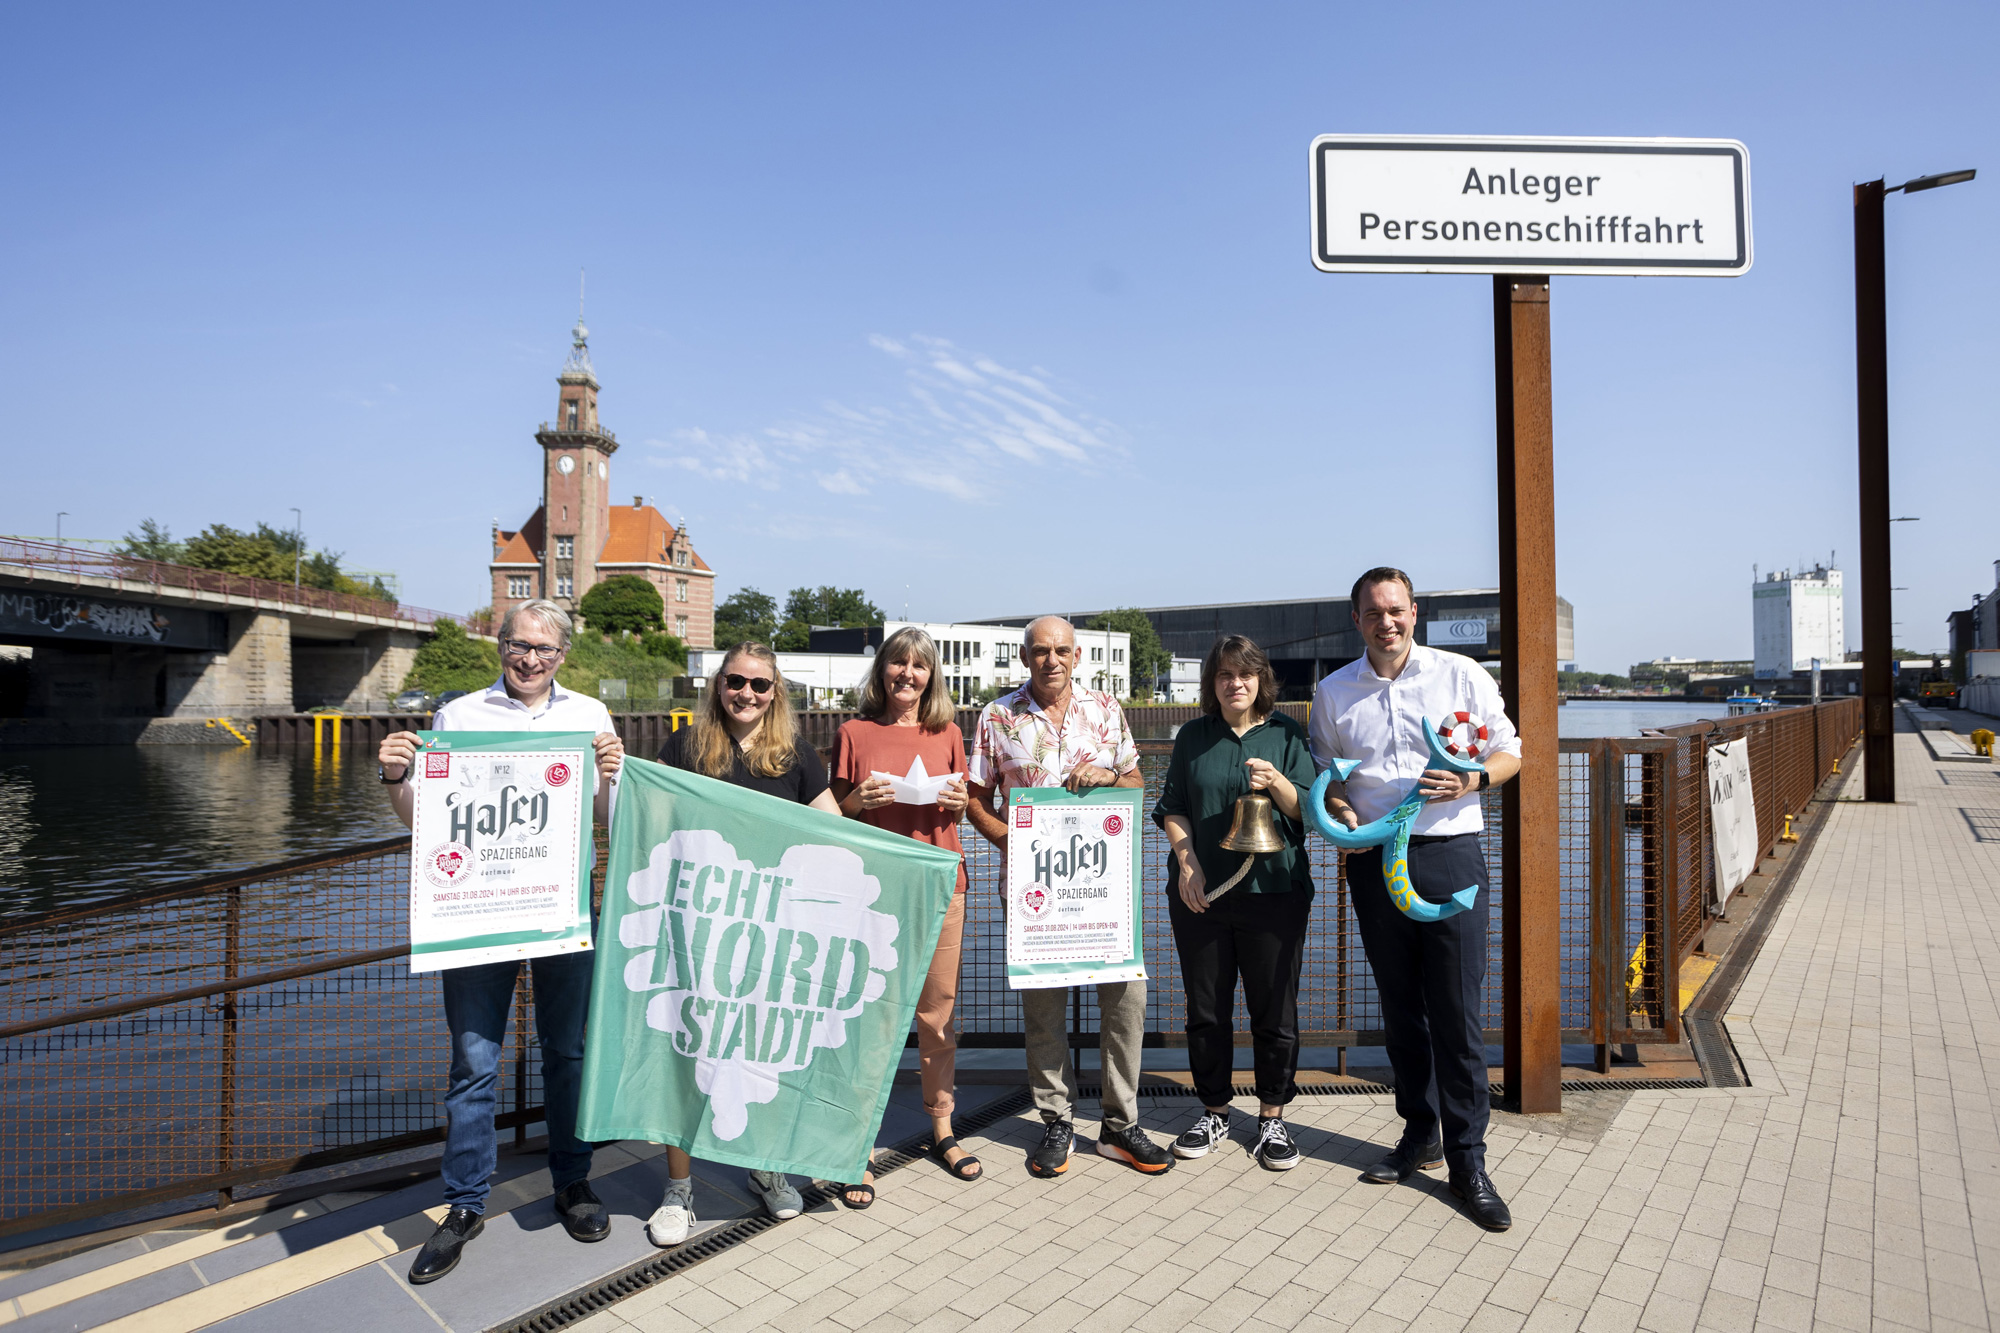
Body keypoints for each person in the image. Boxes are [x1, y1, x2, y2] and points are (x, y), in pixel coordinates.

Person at [376, 599, 627, 1285]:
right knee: (473, 1061)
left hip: (562, 911)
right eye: (519, 644)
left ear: (563, 656)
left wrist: (611, 772)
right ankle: (463, 1204)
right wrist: (397, 775)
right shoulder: (457, 717)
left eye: (544, 650)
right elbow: (425, 820)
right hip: (477, 915)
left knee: (569, 1052)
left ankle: (573, 1181)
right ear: (500, 645)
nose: (530, 659)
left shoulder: (589, 717)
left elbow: (613, 817)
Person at [1310, 568, 1521, 1231]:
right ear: (1356, 619)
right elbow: (1328, 771)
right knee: (1402, 1011)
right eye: (1373, 612)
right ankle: (1418, 1132)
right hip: (1375, 863)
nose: (1386, 621)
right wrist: (1340, 815)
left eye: (1396, 610)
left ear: (1414, 612)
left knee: (1457, 1011)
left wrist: (1473, 780)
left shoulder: (1460, 675)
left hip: (1450, 852)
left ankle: (1469, 1159)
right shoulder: (1333, 691)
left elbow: (1513, 751)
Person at [647, 642, 841, 1245]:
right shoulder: (684, 748)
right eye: (736, 682)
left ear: (776, 691)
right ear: (718, 685)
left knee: (762, 1049)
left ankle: (765, 1163)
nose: (747, 695)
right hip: (700, 925)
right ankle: (679, 1189)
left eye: (760, 685)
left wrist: (905, 859)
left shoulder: (797, 754)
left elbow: (830, 827)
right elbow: (654, 819)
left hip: (771, 930)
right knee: (686, 1051)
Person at [966, 616, 1173, 1178]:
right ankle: (1056, 1120)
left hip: (1101, 887)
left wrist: (1106, 776)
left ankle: (1119, 1125)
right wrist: (1014, 841)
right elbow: (975, 798)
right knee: (1044, 1008)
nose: (1051, 660)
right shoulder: (998, 717)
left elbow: (1135, 785)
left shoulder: (1106, 709)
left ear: (1076, 655)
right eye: (1040, 651)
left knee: (1126, 999)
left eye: (1060, 651)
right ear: (1025, 656)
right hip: (1034, 888)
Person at [1154, 636, 1319, 1171]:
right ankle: (1215, 1109)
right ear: (1213, 684)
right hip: (1203, 895)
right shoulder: (1193, 738)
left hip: (1275, 893)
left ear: (1261, 680)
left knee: (1275, 1011)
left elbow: (1309, 813)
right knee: (1206, 1011)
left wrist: (1277, 784)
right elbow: (1174, 807)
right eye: (1225, 675)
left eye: (1245, 674)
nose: (1235, 684)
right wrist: (1187, 863)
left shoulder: (1287, 735)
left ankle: (1272, 1115)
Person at [829, 627, 976, 1207]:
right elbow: (833, 817)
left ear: (930, 675)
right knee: (867, 1018)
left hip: (942, 886)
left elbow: (958, 815)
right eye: (897, 665)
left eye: (918, 667)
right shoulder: (853, 733)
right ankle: (856, 1145)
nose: (906, 676)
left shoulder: (949, 733)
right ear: (882, 672)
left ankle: (942, 1127)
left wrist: (963, 805)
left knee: (937, 1017)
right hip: (873, 891)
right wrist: (857, 802)